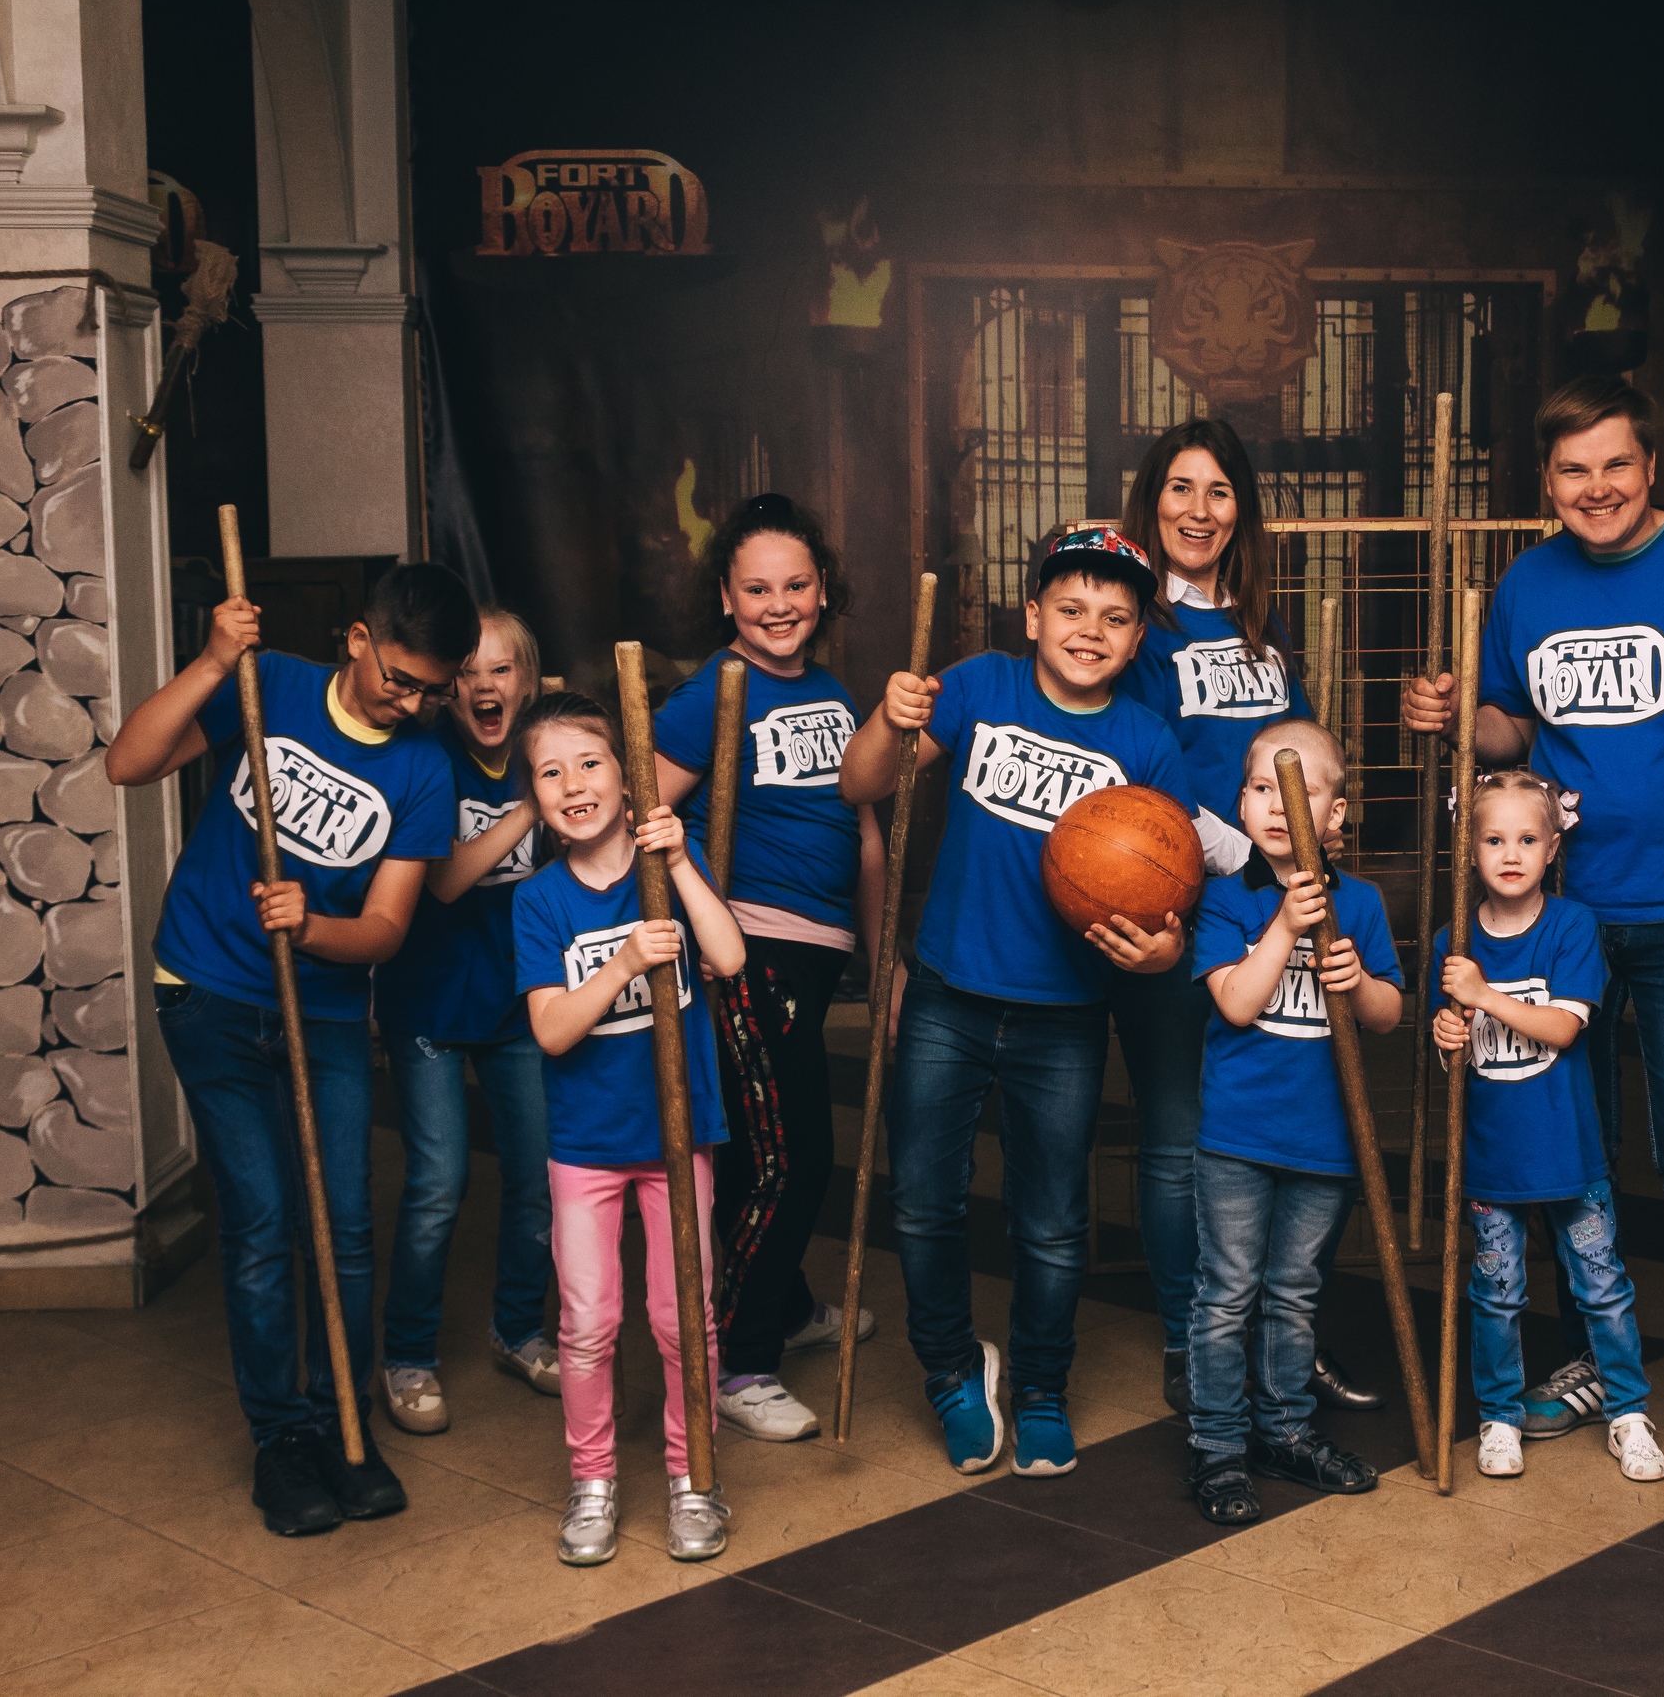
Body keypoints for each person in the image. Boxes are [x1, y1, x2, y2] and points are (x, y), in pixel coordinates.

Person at [1402, 374, 1664, 1474]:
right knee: (1574, 1151)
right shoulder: (1529, 581)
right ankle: (1599, 1353)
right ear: (1547, 482)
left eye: (1616, 464)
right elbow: (1507, 729)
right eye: (1573, 470)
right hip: (1560, 917)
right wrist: (1455, 713)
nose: (1597, 487)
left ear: (1650, 467)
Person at [839, 525, 1235, 1478]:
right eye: (1070, 608)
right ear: (1031, 615)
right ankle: (950, 1370)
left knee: (1052, 1220)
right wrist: (890, 719)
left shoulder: (1145, 740)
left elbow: (1178, 891)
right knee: (923, 1201)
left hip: (1065, 1013)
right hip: (947, 993)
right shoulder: (980, 685)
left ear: (1137, 640)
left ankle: (1043, 1386)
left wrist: (1166, 949)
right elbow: (860, 783)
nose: (1090, 629)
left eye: (1115, 617)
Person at [105, 563, 477, 1537]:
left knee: (344, 1225)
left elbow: (386, 928)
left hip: (323, 1008)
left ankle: (344, 1425)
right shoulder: (268, 684)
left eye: (432, 691)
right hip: (209, 990)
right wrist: (213, 661)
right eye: (400, 679)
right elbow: (127, 763)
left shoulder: (424, 768)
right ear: (359, 639)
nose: (413, 703)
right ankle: (282, 1440)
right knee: (267, 1222)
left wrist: (310, 927)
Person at [1113, 418, 1373, 1416]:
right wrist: (1242, 860)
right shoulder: (1141, 626)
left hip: (1275, 908)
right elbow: (1136, 766)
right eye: (1179, 488)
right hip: (1184, 904)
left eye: (1218, 490)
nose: (1198, 509)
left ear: (1242, 510)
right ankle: (1195, 1342)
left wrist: (1299, 860)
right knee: (1182, 1137)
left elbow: (1294, 753)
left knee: (1280, 1130)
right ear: (1151, 502)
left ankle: (1279, 1341)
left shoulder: (1264, 629)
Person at [652, 493, 886, 1444]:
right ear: (726, 597)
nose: (778, 604)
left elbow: (865, 836)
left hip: (818, 954)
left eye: (795, 584)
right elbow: (640, 819)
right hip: (750, 951)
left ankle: (782, 1308)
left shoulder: (831, 692)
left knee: (763, 1149)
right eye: (757, 589)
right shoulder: (712, 693)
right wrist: (700, 923)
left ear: (822, 589)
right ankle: (742, 1361)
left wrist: (885, 961)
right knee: (793, 1158)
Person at [511, 689, 746, 1566]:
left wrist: (679, 863)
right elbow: (551, 1030)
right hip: (586, 1144)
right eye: (550, 772)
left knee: (683, 1316)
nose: (573, 784)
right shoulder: (538, 901)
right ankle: (593, 1481)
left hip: (679, 1136)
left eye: (589, 762)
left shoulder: (670, 867)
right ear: (535, 797)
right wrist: (622, 962)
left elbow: (729, 956)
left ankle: (693, 1477)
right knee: (587, 1320)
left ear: (627, 774)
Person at [1186, 720, 1401, 1525]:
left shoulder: (1362, 903)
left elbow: (1388, 1012)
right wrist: (1284, 927)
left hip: (1325, 1140)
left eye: (1301, 790)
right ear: (1241, 804)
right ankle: (1217, 1445)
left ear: (1336, 814)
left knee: (1294, 1295)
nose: (1279, 805)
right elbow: (1238, 1004)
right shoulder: (1223, 900)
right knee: (1225, 1294)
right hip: (1237, 1138)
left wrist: (1355, 977)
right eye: (1262, 788)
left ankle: (1283, 1430)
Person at [1428, 768, 1662, 1483]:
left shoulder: (1571, 926)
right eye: (1494, 839)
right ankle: (1499, 1416)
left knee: (1602, 1285)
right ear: (1470, 849)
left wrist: (1482, 994)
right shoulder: (1452, 940)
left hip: (1568, 1153)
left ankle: (1628, 1411)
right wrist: (1446, 1035)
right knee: (1496, 1293)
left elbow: (1563, 1027)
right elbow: (1461, 1053)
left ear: (1553, 847)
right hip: (1492, 1158)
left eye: (1528, 839)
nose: (1511, 854)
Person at [373, 609, 557, 1436]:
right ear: (448, 689)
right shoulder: (426, 758)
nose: (485, 685)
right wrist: (528, 807)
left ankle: (517, 1330)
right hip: (428, 1005)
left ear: (528, 680)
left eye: (502, 669)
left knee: (538, 1178)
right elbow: (444, 880)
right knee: (439, 1184)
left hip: (518, 1003)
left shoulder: (543, 752)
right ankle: (407, 1354)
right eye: (469, 672)